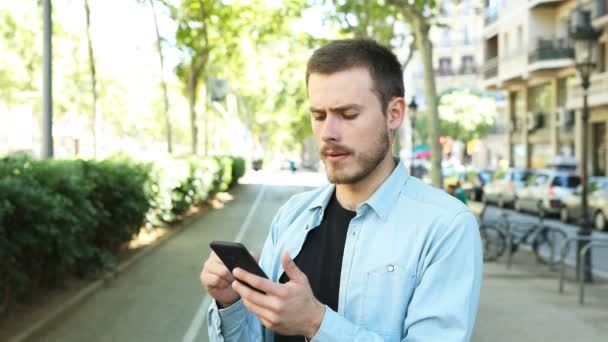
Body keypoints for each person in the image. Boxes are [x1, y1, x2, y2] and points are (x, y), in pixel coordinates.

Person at [201, 39, 483, 341]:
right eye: (319, 116)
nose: (328, 133)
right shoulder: (292, 216)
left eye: (348, 114)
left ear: (395, 114)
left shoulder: (446, 227)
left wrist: (316, 324)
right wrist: (230, 303)